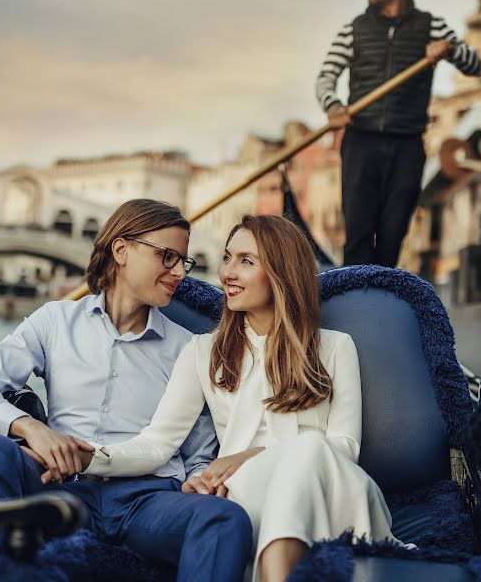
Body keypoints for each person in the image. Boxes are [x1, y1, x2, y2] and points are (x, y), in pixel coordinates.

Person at [0, 199, 253, 582]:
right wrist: (31, 428)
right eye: (167, 257)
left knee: (225, 518)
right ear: (121, 249)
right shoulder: (55, 321)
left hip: (149, 503)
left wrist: (201, 480)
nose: (179, 273)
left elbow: (199, 452)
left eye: (183, 262)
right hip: (60, 492)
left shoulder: (190, 348)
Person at [80, 215, 402, 582]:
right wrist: (89, 457)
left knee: (310, 448)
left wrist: (252, 456)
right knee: (258, 479)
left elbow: (345, 447)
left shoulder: (335, 347)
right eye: (227, 258)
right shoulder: (202, 352)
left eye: (246, 261)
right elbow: (158, 443)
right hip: (246, 493)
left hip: (331, 489)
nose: (228, 273)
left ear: (282, 272)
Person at [315, 0, 481, 267]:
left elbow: (476, 65)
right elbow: (325, 78)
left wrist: (450, 49)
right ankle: (354, 304)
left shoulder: (432, 27)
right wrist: (332, 105)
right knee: (358, 237)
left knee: (392, 236)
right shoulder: (353, 30)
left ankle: (381, 300)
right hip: (361, 142)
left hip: (407, 145)